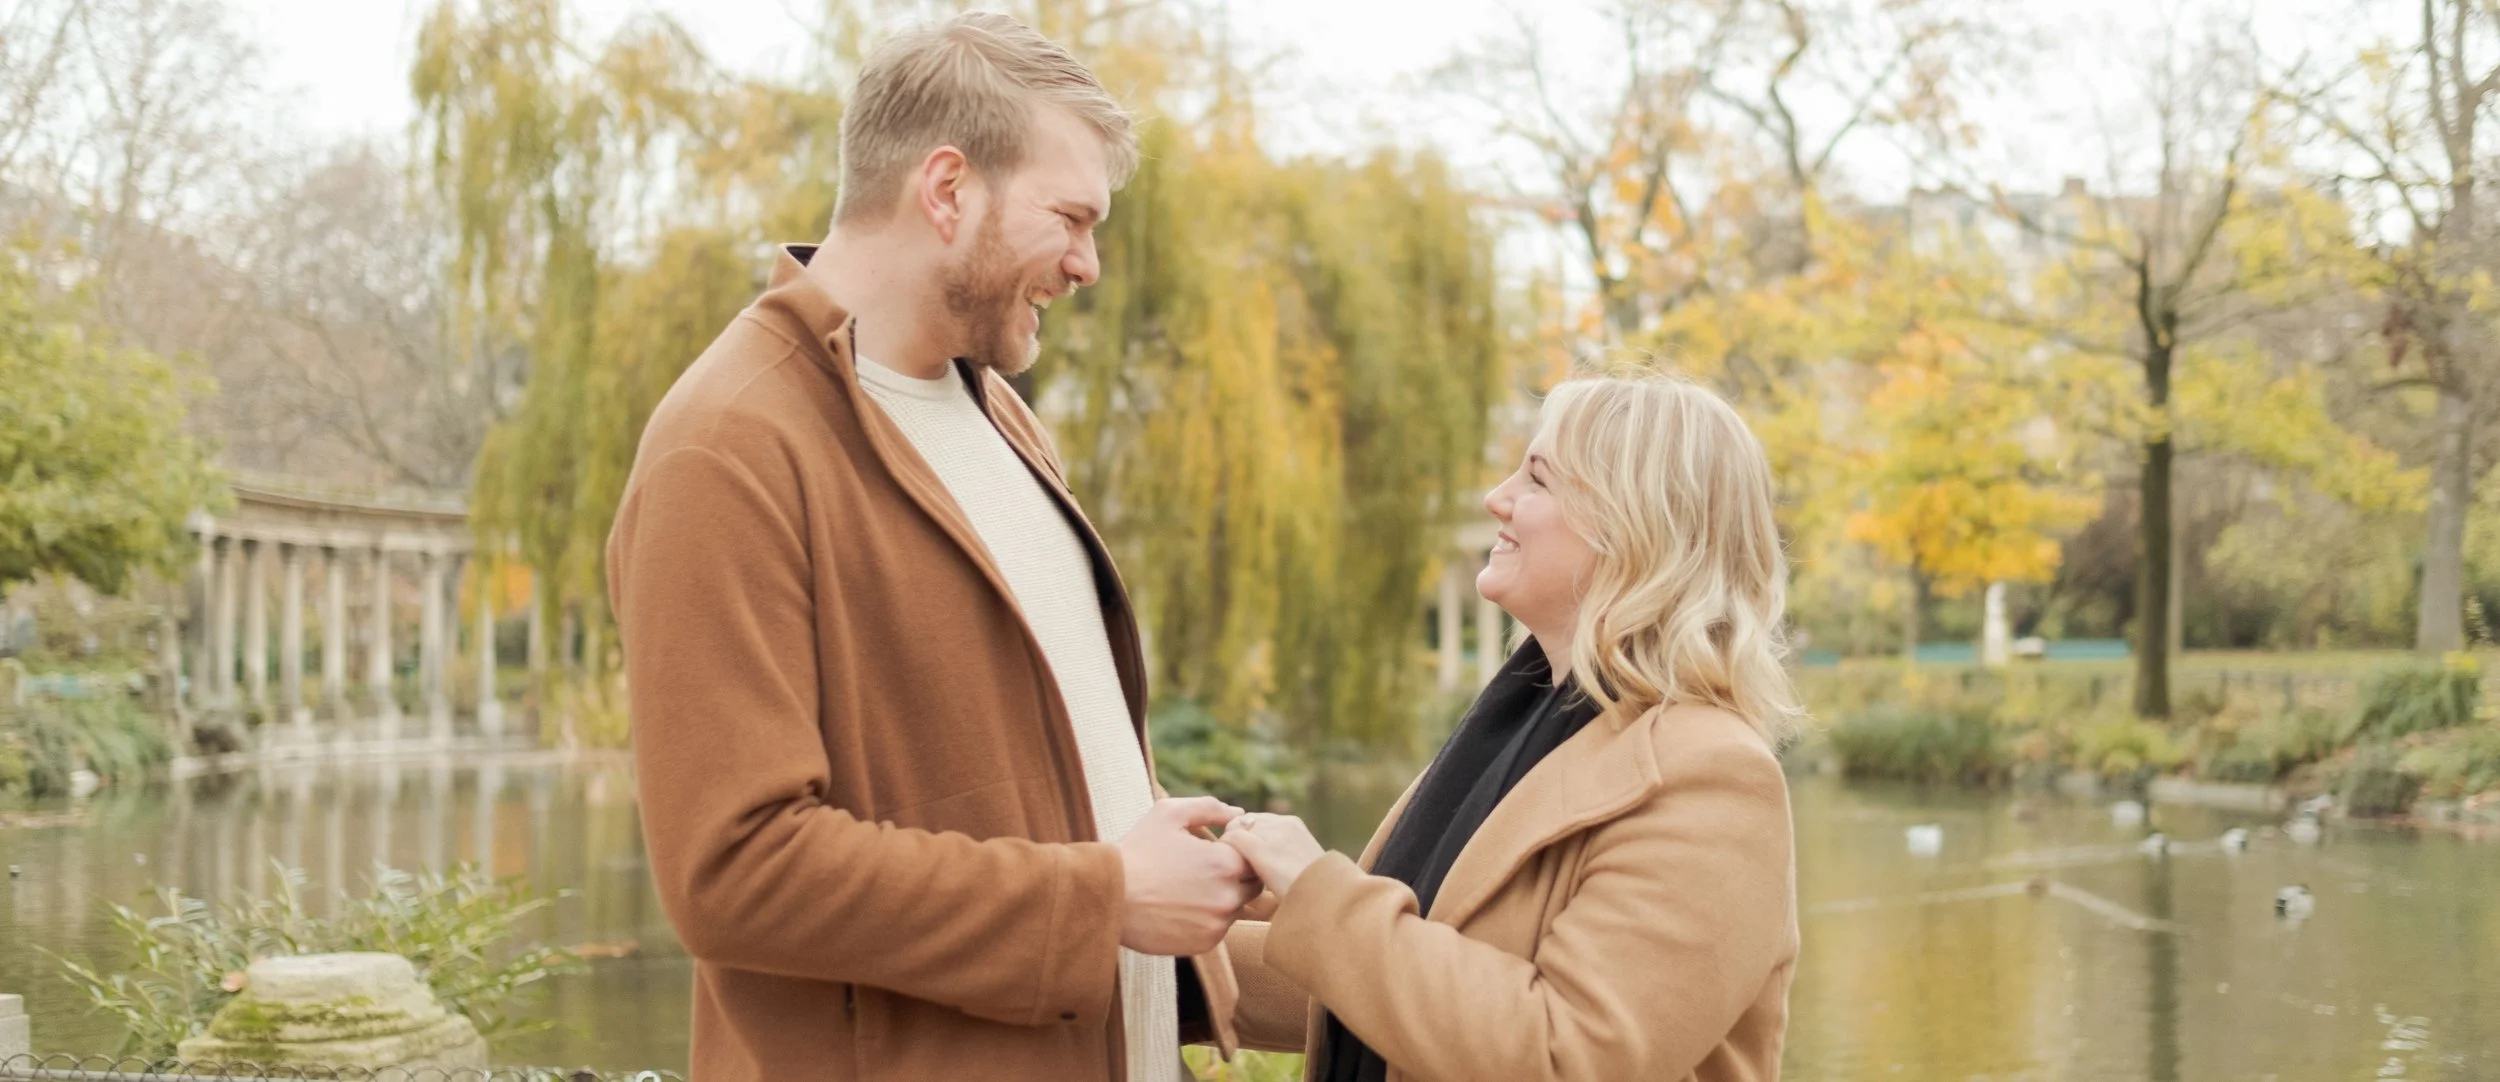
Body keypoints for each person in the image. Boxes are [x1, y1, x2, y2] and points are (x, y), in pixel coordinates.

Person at [605, 13, 1257, 1082]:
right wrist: (1104, 891)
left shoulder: (999, 413)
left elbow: (1015, 784)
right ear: (948, 189)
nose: (1089, 264)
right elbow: (733, 869)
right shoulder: (727, 445)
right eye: (1071, 217)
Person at [1217, 372, 1805, 1082]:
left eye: (1537, 479)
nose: (1498, 498)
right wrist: (1160, 942)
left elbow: (1572, 1057)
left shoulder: (1711, 778)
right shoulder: (1522, 729)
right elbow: (1398, 989)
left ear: (1635, 525)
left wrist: (1319, 891)